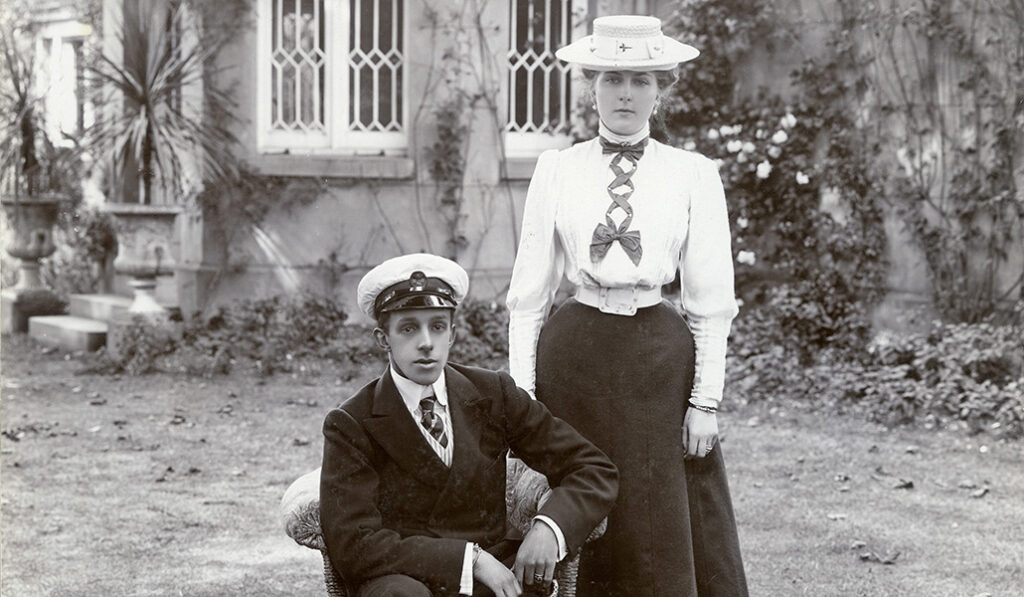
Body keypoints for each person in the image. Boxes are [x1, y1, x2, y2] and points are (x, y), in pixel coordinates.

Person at [506, 15, 749, 597]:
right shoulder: (557, 169)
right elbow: (529, 298)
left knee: (656, 513)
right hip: (574, 354)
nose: (625, 93)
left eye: (641, 80)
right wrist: (522, 400)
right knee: (573, 494)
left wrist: (705, 402)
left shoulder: (693, 174)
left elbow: (711, 302)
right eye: (612, 78)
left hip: (658, 360)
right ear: (591, 85)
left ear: (661, 89)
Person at [320, 253, 619, 597]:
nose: (426, 342)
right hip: (404, 578)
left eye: (437, 326)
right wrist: (469, 560)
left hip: (493, 578)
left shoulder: (492, 393)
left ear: (452, 333)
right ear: (383, 338)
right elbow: (353, 543)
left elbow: (592, 467)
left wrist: (549, 527)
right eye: (408, 328)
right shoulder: (351, 422)